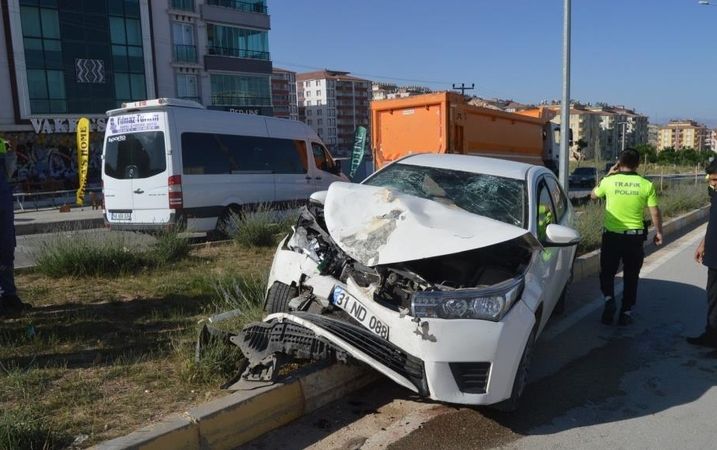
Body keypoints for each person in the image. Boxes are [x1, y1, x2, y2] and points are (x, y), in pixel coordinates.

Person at [591, 148, 663, 326]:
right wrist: (659, 232)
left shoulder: (609, 181)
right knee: (631, 275)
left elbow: (593, 196)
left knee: (607, 272)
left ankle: (609, 299)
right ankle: (626, 312)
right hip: (634, 238)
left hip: (612, 238)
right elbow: (654, 212)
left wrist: (608, 174)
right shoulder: (646, 184)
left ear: (619, 163)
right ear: (638, 164)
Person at [0, 137, 31, 317]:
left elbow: (9, 172)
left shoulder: (2, 142)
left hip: (3, 201)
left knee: (6, 249)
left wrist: (12, 152)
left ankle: (9, 296)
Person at [689, 159, 717, 348]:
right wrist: (703, 243)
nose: (713, 184)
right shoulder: (715, 194)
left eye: (716, 180)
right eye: (712, 180)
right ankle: (711, 336)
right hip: (714, 254)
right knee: (713, 297)